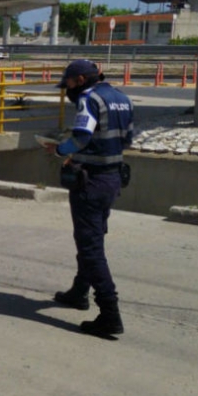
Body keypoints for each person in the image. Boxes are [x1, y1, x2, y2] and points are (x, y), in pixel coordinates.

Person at [45, 59, 133, 339]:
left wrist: (61, 150)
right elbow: (127, 139)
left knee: (91, 246)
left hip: (91, 181)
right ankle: (78, 292)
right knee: (92, 238)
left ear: (80, 80)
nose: (67, 90)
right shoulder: (121, 98)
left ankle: (109, 313)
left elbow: (81, 136)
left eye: (68, 83)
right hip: (112, 177)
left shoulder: (89, 98)